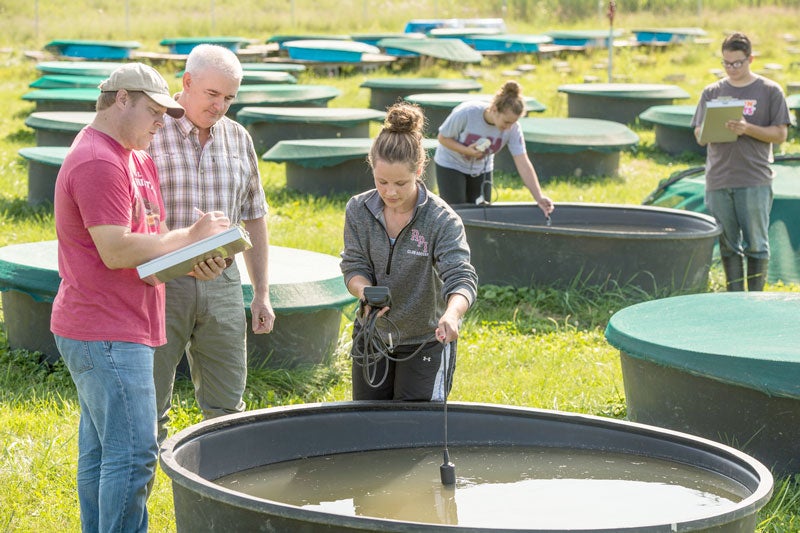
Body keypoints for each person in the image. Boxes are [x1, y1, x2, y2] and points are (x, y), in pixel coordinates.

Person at [51, 62, 231, 533]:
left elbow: (148, 243)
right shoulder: (98, 161)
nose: (160, 123)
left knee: (105, 454)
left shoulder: (136, 157)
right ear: (121, 100)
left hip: (126, 321)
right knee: (133, 457)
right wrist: (192, 235)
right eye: (153, 111)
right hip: (105, 329)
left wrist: (194, 257)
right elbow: (115, 250)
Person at [147, 44, 275, 442]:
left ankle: (218, 496)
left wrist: (261, 294)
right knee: (149, 406)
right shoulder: (151, 130)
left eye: (230, 98)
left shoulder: (238, 138)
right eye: (213, 94)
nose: (221, 105)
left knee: (227, 408)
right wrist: (176, 257)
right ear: (186, 83)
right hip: (162, 281)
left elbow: (254, 216)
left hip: (222, 281)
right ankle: (140, 498)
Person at [340, 102, 478, 401]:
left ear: (419, 170)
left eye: (400, 183)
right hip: (372, 337)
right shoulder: (358, 209)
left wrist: (452, 315)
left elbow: (461, 277)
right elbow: (353, 265)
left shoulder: (441, 219)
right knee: (367, 425)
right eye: (381, 182)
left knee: (417, 431)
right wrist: (364, 291)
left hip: (425, 340)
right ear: (371, 168)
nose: (390, 192)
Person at [692, 32, 790, 292]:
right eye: (726, 63)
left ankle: (754, 299)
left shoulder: (769, 91)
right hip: (719, 178)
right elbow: (699, 135)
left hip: (754, 178)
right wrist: (710, 130)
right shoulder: (712, 92)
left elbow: (780, 133)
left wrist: (747, 129)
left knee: (756, 244)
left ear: (751, 59)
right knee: (727, 244)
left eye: (737, 63)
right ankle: (734, 298)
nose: (731, 69)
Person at [434, 80, 555, 217]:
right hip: (451, 164)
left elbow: (522, 162)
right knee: (455, 214)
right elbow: (443, 138)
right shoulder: (467, 113)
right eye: (506, 122)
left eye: (513, 123)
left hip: (481, 168)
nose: (509, 127)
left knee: (482, 214)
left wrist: (539, 197)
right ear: (495, 110)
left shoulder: (513, 128)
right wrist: (466, 150)